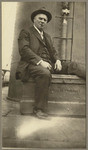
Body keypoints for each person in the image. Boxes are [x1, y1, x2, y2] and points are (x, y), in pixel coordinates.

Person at [16, 8, 86, 119]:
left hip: (49, 64)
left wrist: (57, 60)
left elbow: (53, 51)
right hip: (31, 65)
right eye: (40, 18)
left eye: (45, 19)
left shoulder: (47, 36)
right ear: (34, 19)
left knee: (73, 65)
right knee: (44, 73)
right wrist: (40, 62)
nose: (43, 21)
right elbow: (24, 50)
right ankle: (39, 109)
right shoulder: (26, 32)